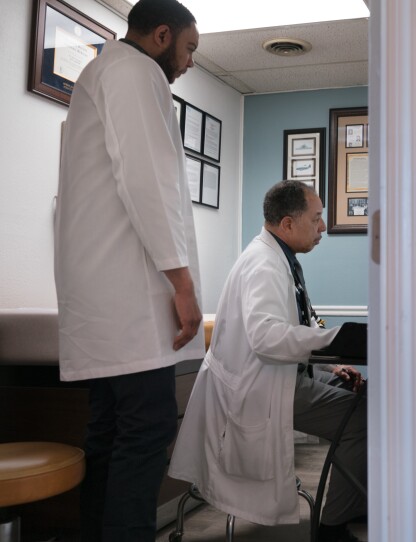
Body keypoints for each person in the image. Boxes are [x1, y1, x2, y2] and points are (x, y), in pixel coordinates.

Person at [53, 1, 202, 539]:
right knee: (145, 432)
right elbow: (147, 182)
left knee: (110, 432)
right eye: (188, 48)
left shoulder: (100, 72)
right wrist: (182, 283)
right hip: (131, 297)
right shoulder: (136, 72)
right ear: (162, 35)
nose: (189, 62)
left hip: (104, 298)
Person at [169, 180, 368, 542]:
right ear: (288, 224)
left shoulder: (280, 257)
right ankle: (334, 527)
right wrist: (336, 338)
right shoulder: (264, 264)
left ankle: (354, 498)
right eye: (317, 218)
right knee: (363, 418)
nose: (323, 227)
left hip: (279, 375)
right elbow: (266, 337)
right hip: (261, 390)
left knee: (360, 395)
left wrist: (331, 365)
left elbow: (301, 322)